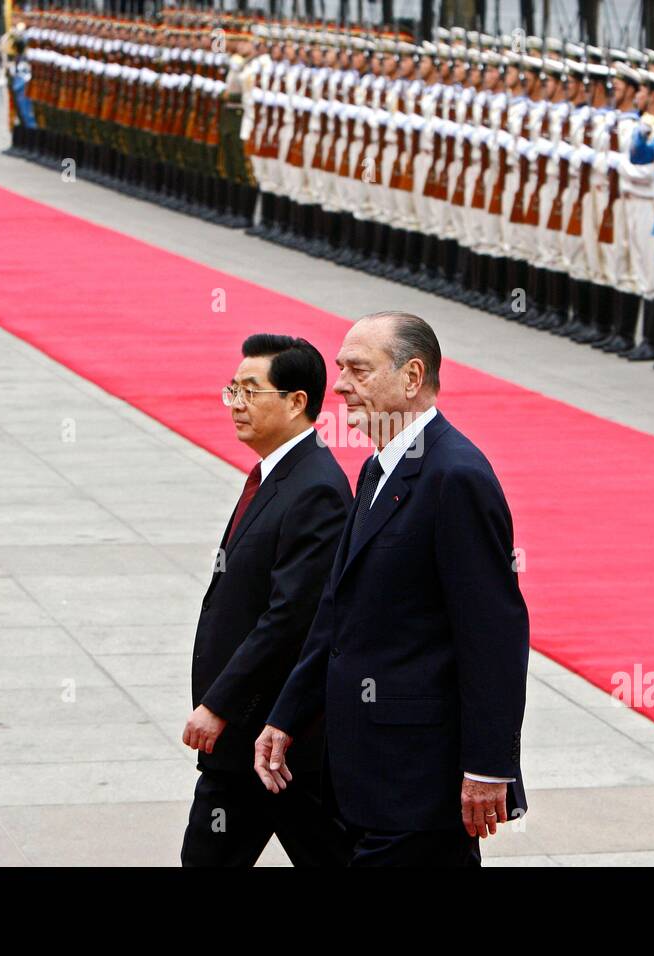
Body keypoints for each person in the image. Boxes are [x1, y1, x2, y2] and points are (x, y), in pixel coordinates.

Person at [254, 311, 529, 867]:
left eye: (358, 370)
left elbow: (493, 634)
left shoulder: (456, 475)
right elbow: (336, 611)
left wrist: (488, 766)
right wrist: (286, 715)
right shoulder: (378, 469)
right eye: (340, 369)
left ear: (411, 377)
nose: (340, 386)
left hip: (419, 776)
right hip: (366, 768)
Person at [181, 334, 353, 867]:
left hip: (273, 737)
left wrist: (219, 704)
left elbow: (290, 617)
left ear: (297, 401)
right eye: (233, 389)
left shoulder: (316, 489)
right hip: (250, 743)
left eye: (251, 391)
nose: (236, 403)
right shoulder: (276, 473)